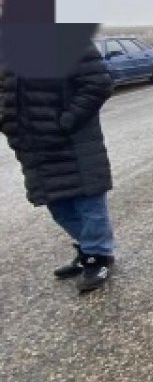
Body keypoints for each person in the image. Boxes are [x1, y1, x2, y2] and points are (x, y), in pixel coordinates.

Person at [0, 41, 118, 293]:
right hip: (34, 147)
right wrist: (8, 123)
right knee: (59, 207)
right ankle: (88, 248)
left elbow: (97, 84)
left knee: (89, 204)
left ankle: (99, 256)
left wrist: (66, 121)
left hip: (73, 141)